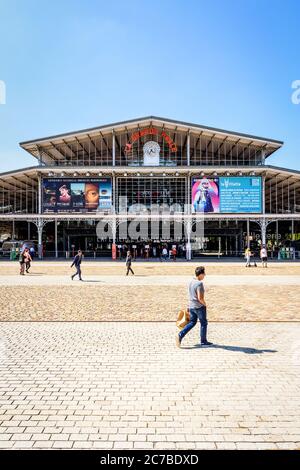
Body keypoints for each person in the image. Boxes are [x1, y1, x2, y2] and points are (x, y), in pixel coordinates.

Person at [176, 266, 212, 348]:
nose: (205, 275)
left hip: (191, 306)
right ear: (200, 274)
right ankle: (203, 341)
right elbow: (200, 298)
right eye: (204, 274)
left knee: (192, 322)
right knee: (204, 323)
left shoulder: (191, 281)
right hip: (199, 307)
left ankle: (180, 335)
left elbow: (189, 294)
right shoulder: (199, 283)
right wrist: (205, 304)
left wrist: (188, 305)